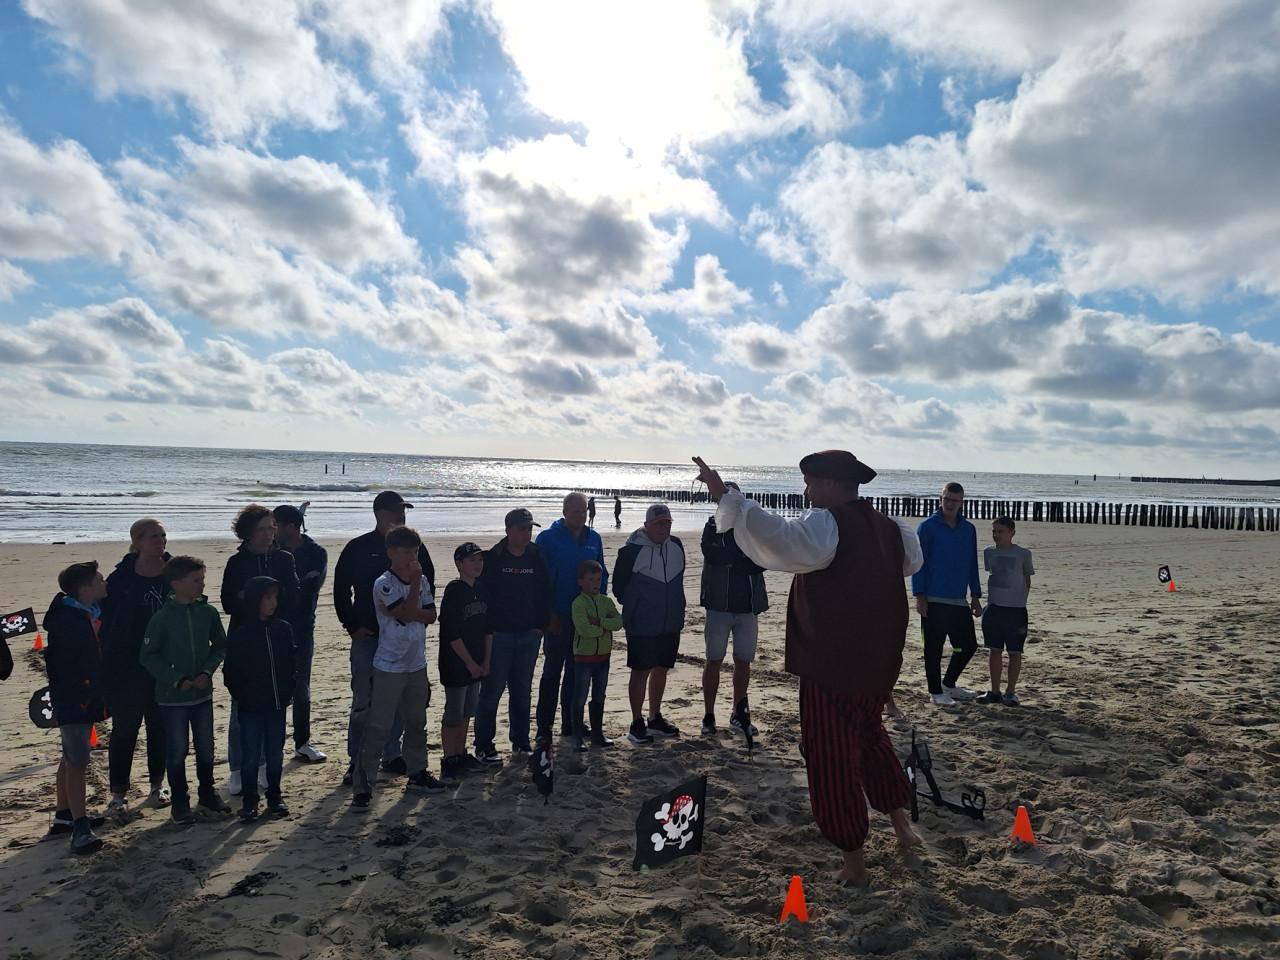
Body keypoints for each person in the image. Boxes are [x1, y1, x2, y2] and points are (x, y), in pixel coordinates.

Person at [693, 451, 924, 886]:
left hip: (834, 662)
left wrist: (726, 496)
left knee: (831, 756)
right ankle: (902, 828)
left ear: (834, 485)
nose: (807, 492)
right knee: (871, 739)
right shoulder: (893, 528)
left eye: (812, 483)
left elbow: (781, 541)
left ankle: (854, 864)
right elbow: (913, 563)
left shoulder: (829, 524)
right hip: (878, 663)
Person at [334, 491, 437, 785]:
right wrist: (351, 625)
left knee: (406, 705)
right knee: (364, 702)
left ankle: (393, 755)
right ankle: (357, 762)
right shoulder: (359, 547)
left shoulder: (417, 549)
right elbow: (341, 589)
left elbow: (427, 585)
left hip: (407, 641)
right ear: (378, 512)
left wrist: (420, 621)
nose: (400, 515)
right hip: (368, 636)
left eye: (403, 510)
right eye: (394, 510)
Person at [353, 525, 443, 806]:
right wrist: (415, 584)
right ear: (391, 552)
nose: (411, 557)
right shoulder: (384, 582)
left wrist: (416, 597)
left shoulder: (423, 579)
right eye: (405, 551)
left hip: (416, 662)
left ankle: (417, 772)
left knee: (417, 721)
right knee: (379, 726)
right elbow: (403, 615)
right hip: (389, 664)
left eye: (415, 551)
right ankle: (363, 785)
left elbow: (430, 615)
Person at [140, 556, 230, 824]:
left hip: (202, 695)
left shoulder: (208, 612)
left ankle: (207, 793)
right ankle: (180, 801)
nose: (202, 584)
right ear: (177, 583)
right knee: (177, 749)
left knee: (206, 746)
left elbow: (221, 646)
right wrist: (176, 679)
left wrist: (206, 671)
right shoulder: (162, 617)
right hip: (171, 698)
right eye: (196, 580)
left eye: (202, 579)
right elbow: (148, 655)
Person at [220, 504, 300, 796]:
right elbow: (229, 601)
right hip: (244, 637)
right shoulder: (237, 562)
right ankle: (239, 768)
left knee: (274, 701)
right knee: (242, 704)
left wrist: (266, 598)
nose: (270, 533)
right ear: (249, 532)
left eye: (272, 527)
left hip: (276, 636)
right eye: (263, 528)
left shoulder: (284, 558)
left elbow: (292, 595)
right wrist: (252, 600)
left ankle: (267, 764)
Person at [100, 518, 171, 822]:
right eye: (154, 536)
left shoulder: (174, 573)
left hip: (164, 665)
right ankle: (118, 794)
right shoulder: (119, 580)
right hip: (128, 667)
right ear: (137, 541)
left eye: (163, 535)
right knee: (125, 730)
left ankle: (158, 786)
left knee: (159, 728)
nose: (161, 541)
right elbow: (106, 624)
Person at [44, 561, 110, 853]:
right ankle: (80, 828)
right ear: (85, 589)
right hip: (73, 698)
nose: (104, 581)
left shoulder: (90, 613)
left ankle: (64, 814)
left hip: (85, 695)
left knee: (71, 755)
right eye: (99, 579)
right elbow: (62, 665)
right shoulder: (67, 620)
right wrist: (84, 691)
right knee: (77, 760)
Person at [476, 508, 551, 762]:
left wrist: (540, 626)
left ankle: (520, 742)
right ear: (508, 529)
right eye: (522, 528)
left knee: (522, 690)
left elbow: (544, 592)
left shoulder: (536, 555)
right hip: (500, 636)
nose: (527, 533)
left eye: (530, 528)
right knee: (491, 691)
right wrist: (488, 631)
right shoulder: (494, 557)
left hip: (529, 634)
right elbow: (482, 596)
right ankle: (484, 745)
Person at [534, 493, 606, 745]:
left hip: (584, 620)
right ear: (564, 511)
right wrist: (547, 616)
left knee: (577, 676)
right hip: (558, 617)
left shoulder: (594, 538)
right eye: (575, 511)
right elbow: (539, 582)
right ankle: (544, 728)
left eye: (584, 510)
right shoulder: (547, 539)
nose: (580, 515)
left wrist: (601, 610)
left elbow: (601, 575)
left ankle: (571, 724)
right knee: (552, 673)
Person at [612, 503, 686, 745]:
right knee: (641, 670)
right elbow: (619, 587)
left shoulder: (676, 546)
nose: (664, 528)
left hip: (670, 621)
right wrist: (638, 606)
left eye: (667, 523)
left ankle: (654, 716)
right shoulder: (631, 551)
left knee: (662, 667)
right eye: (658, 524)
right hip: (642, 622)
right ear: (647, 526)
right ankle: (636, 721)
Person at [223, 577, 296, 822]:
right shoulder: (241, 633)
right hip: (250, 706)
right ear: (255, 600)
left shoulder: (282, 628)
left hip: (276, 703)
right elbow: (231, 672)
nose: (272, 602)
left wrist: (287, 691)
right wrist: (243, 696)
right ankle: (250, 800)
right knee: (250, 754)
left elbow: (290, 664)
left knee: (275, 752)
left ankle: (274, 796)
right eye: (267, 597)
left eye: (275, 597)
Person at [698, 482, 768, 738]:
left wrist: (736, 557)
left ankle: (739, 713)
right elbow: (713, 555)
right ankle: (708, 715)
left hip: (748, 606)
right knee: (713, 660)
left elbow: (761, 560)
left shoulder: (752, 527)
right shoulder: (711, 525)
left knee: (743, 662)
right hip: (719, 604)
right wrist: (741, 557)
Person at [912, 482, 983, 706]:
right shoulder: (927, 527)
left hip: (958, 599)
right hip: (933, 598)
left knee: (967, 645)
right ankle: (936, 692)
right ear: (940, 499)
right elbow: (918, 563)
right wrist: (919, 595)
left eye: (955, 500)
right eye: (947, 499)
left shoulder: (968, 529)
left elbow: (972, 562)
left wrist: (975, 595)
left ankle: (948, 684)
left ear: (962, 502)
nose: (951, 504)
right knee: (933, 648)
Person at [273, 504, 328, 763]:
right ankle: (272, 743)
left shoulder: (316, 552)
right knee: (273, 685)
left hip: (303, 626)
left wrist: (287, 588)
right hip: (273, 626)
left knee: (301, 686)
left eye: (276, 525)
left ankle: (302, 742)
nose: (272, 530)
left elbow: (310, 588)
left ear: (291, 527)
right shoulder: (271, 551)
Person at [438, 543, 492, 782]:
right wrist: (469, 662)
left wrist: (486, 660)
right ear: (459, 564)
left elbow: (488, 629)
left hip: (478, 660)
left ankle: (460, 754)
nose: (477, 564)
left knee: (468, 711)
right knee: (454, 712)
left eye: (479, 560)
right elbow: (451, 633)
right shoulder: (454, 591)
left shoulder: (481, 589)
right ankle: (449, 759)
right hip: (456, 662)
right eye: (472, 560)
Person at [977, 517, 1035, 706]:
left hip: (1016, 611)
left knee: (1015, 652)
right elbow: (992, 574)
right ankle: (994, 691)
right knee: (994, 651)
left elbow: (1027, 579)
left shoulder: (1023, 554)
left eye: (1000, 531)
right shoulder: (989, 552)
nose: (996, 535)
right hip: (994, 609)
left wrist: (1020, 600)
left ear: (1011, 533)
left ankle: (1010, 692)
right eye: (994, 531)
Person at [570, 559, 622, 752]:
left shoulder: (605, 601)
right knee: (580, 696)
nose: (595, 583)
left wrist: (599, 622)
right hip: (584, 657)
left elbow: (618, 622)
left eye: (598, 579)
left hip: (603, 657)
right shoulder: (578, 603)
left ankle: (597, 733)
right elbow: (584, 629)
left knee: (599, 695)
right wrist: (603, 629)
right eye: (591, 579)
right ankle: (577, 736)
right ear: (581, 581)